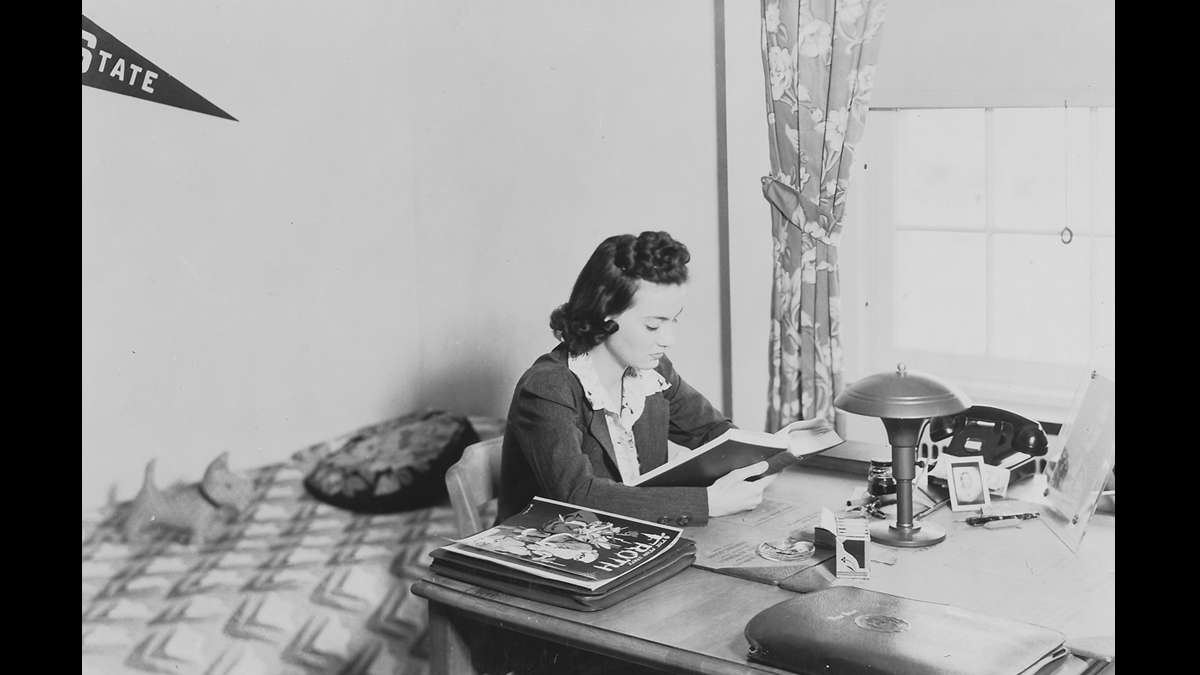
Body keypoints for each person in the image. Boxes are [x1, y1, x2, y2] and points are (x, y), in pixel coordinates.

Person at [497, 231, 798, 527]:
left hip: (626, 539)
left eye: (674, 319)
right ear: (605, 315)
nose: (669, 339)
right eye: (653, 326)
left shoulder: (653, 372)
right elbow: (577, 494)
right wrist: (707, 503)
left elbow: (714, 431)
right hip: (550, 547)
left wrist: (766, 461)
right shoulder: (549, 386)